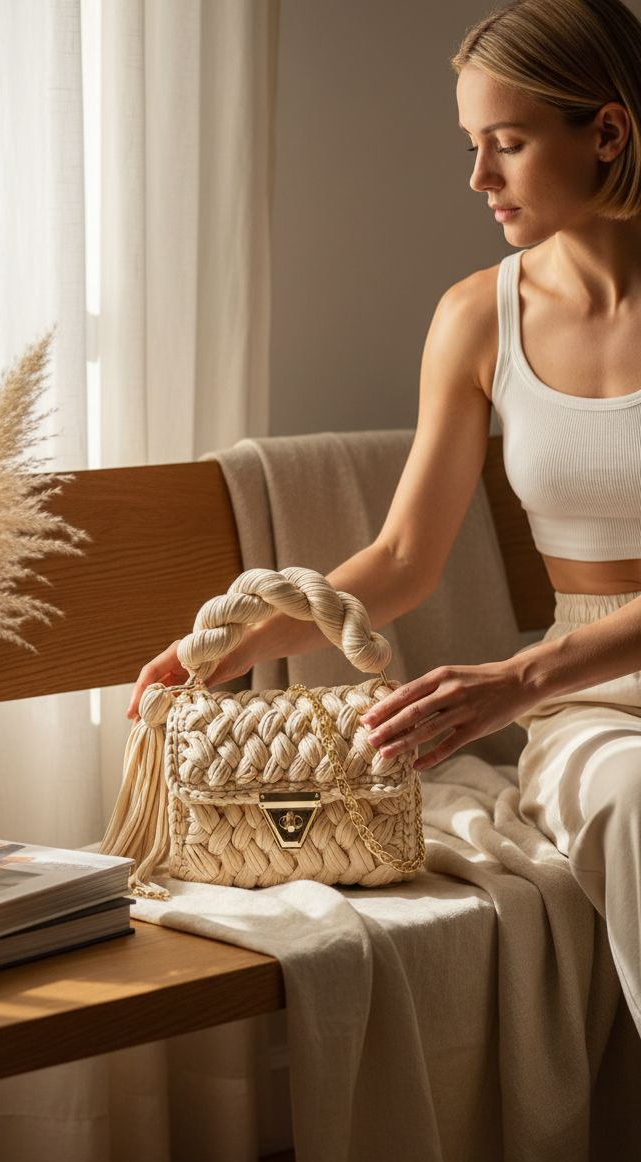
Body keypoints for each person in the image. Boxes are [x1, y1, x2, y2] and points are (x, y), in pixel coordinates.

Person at [127, 0, 641, 1038]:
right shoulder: (473, 320)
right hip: (595, 707)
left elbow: (509, 669)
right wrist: (225, 645)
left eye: (505, 143)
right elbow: (404, 558)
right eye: (470, 146)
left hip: (545, 678)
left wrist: (514, 678)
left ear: (607, 132)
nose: (477, 179)